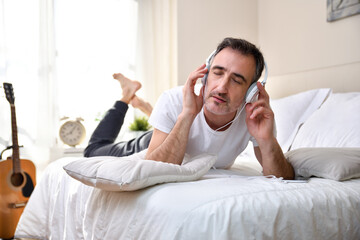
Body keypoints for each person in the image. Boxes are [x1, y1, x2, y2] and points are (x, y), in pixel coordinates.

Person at [84, 37, 294, 179]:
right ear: (205, 74)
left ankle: (145, 107)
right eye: (218, 72)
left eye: (236, 80)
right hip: (155, 143)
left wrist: (266, 139)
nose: (221, 88)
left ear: (251, 92)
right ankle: (126, 96)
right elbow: (155, 168)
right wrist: (187, 114)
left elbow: (281, 178)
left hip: (176, 130)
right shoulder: (175, 99)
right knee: (93, 150)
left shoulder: (255, 115)